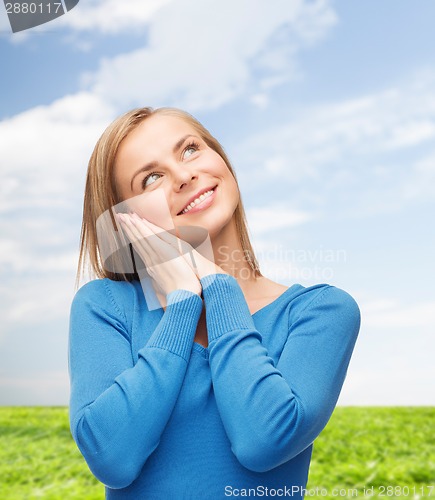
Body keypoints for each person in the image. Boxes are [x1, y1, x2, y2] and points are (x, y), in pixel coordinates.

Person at [69, 107, 361, 499]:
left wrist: (218, 286)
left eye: (190, 150)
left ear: (221, 159)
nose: (185, 175)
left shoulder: (321, 312)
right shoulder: (105, 306)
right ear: (126, 220)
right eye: (152, 178)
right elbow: (112, 459)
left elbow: (264, 440)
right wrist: (183, 302)